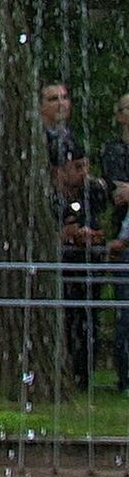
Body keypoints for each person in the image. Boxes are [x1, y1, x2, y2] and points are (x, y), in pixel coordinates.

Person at [50, 140, 108, 390]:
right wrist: (63, 235)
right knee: (64, 320)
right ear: (60, 171)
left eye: (86, 166)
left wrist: (94, 235)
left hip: (88, 266)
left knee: (88, 321)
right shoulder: (48, 196)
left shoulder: (94, 191)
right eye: (77, 167)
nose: (84, 173)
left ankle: (83, 376)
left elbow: (104, 222)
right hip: (59, 269)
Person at [101, 93, 129, 395]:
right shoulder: (114, 152)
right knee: (126, 313)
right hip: (125, 244)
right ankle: (126, 378)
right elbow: (118, 193)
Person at [40, 81, 82, 165]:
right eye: (54, 99)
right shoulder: (35, 138)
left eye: (65, 97)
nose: (61, 103)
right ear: (40, 106)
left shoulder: (71, 136)